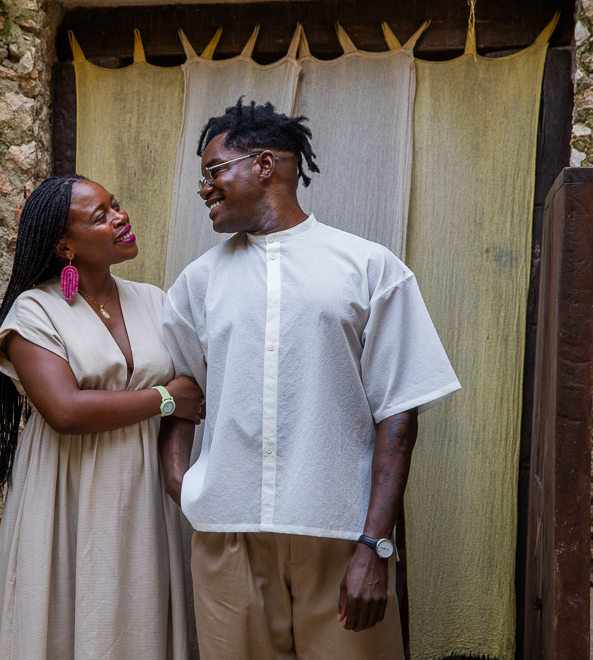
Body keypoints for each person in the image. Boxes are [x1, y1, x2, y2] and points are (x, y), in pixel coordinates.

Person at [158, 99, 461, 660]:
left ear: (264, 165)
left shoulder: (369, 268)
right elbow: (182, 394)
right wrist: (182, 482)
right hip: (228, 533)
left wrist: (375, 545)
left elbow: (399, 410)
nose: (204, 189)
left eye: (214, 171)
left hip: (340, 533)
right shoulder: (197, 284)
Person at [0, 174, 199, 660]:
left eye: (115, 205)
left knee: (137, 614)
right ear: (64, 246)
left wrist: (174, 465)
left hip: (142, 491)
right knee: (65, 614)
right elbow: (65, 410)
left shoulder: (155, 301)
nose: (120, 218)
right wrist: (167, 397)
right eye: (100, 217)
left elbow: (194, 391)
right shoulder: (35, 311)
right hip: (67, 487)